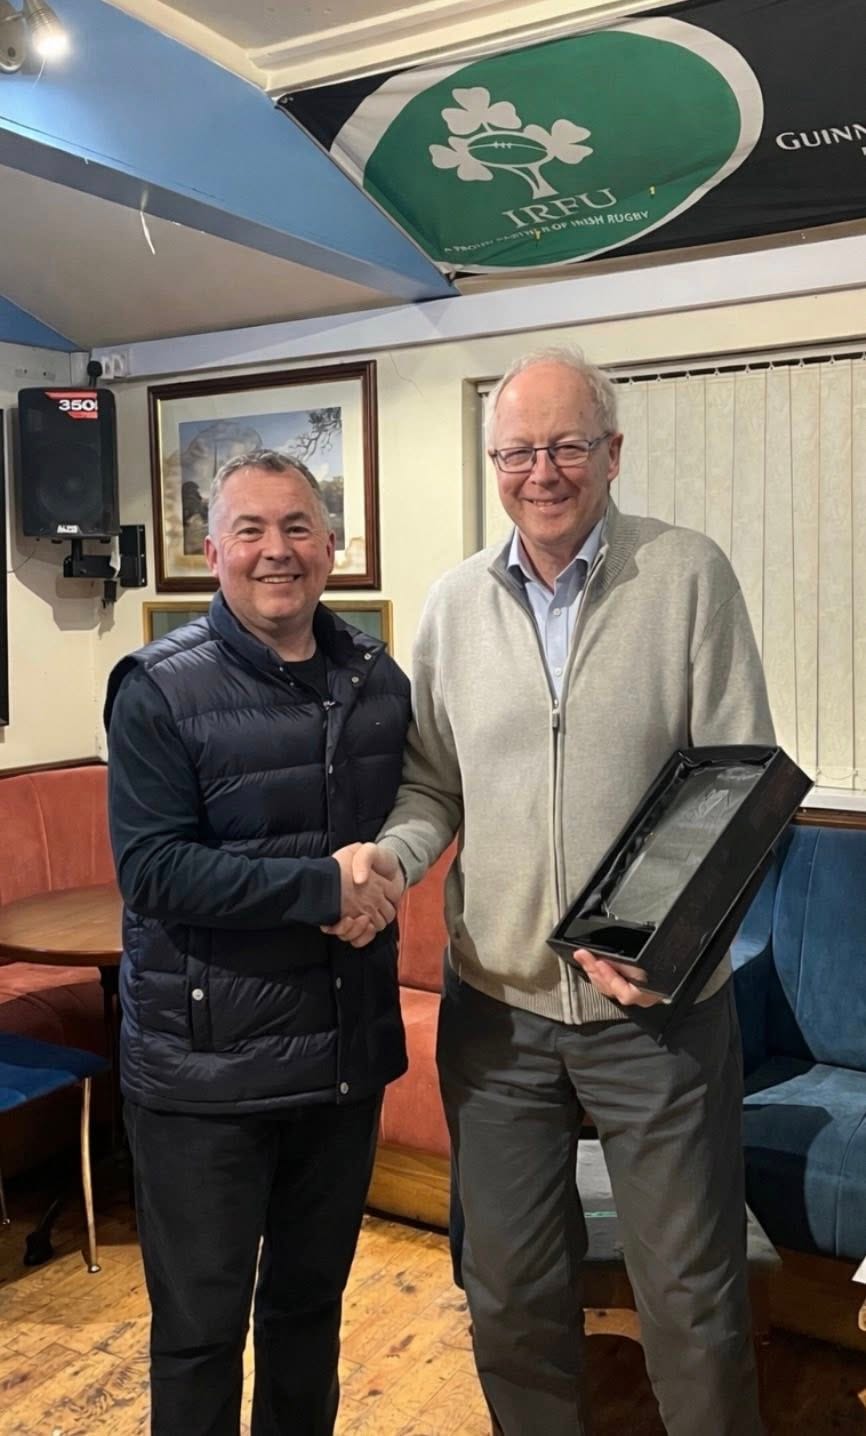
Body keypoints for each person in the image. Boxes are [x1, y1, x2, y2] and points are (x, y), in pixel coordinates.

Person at [329, 348, 774, 1435]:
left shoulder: (687, 575)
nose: (542, 472)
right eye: (517, 451)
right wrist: (392, 858)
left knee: (693, 1301)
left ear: (611, 452)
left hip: (657, 1015)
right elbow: (432, 784)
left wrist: (667, 952)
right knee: (509, 1291)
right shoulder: (453, 605)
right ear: (493, 465)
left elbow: (740, 782)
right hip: (499, 1013)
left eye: (566, 445)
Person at [105, 448, 409, 1436]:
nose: (276, 550)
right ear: (212, 552)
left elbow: (412, 810)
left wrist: (382, 879)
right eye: (251, 529)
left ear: (332, 546)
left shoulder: (375, 675)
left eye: (297, 527)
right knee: (199, 1336)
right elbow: (154, 870)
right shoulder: (156, 687)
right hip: (205, 1078)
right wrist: (321, 888)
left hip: (340, 1059)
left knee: (307, 1317)